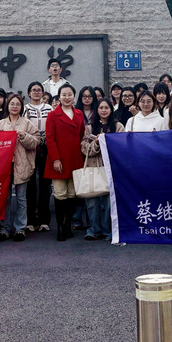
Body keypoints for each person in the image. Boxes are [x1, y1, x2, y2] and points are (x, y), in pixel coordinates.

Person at [0, 94, 40, 242]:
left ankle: (20, 228)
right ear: (7, 106)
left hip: (22, 164)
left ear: (21, 107)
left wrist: (24, 136)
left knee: (21, 198)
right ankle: (4, 228)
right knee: (5, 199)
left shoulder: (27, 123)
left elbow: (36, 141)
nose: (14, 107)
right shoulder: (0, 124)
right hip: (4, 166)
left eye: (17, 104)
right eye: (12, 104)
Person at [45, 83, 85, 241]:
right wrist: (55, 159)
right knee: (60, 194)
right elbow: (50, 138)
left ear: (74, 96)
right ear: (59, 97)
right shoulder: (53, 115)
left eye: (70, 95)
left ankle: (68, 225)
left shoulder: (79, 114)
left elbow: (81, 135)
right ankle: (60, 227)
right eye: (64, 95)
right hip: (59, 159)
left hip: (75, 158)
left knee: (72, 194)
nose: (67, 98)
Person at [81, 99, 124, 241]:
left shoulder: (118, 126)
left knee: (109, 202)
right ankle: (94, 230)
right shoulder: (89, 128)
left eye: (106, 108)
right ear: (97, 110)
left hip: (111, 169)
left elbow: (122, 147)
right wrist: (96, 143)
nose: (104, 110)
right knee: (92, 201)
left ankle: (108, 230)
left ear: (111, 110)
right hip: (93, 168)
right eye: (101, 108)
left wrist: (108, 141)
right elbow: (84, 148)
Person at [24, 81, 53, 233]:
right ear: (29, 93)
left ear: (43, 93)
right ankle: (30, 220)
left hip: (46, 148)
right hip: (30, 148)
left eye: (39, 90)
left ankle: (44, 220)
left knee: (45, 184)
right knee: (30, 185)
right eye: (33, 90)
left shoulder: (49, 108)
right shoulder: (25, 109)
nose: (36, 92)